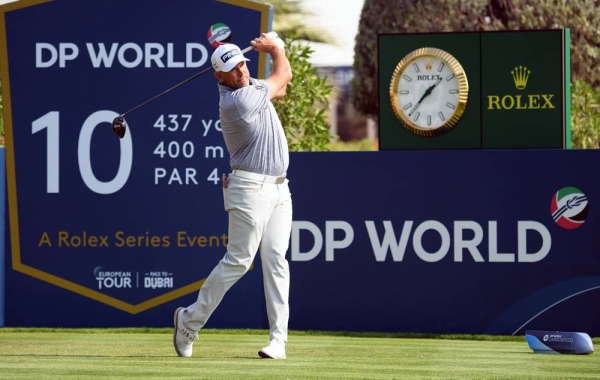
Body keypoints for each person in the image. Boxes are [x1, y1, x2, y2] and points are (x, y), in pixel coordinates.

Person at [173, 32, 293, 360]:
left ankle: (278, 341)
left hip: (280, 189)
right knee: (239, 261)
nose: (240, 71)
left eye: (241, 64)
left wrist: (271, 55)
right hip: (250, 189)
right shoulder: (236, 102)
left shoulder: (251, 87)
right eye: (232, 69)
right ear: (219, 76)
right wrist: (276, 48)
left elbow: (278, 86)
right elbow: (282, 77)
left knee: (276, 260)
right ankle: (188, 322)